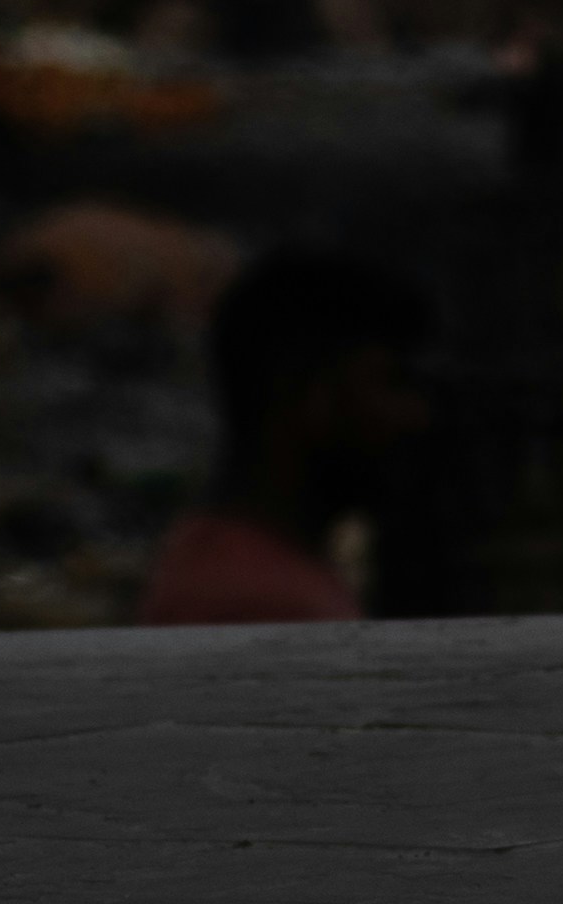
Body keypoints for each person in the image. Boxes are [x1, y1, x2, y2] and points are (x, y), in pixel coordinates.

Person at [134, 245, 437, 628]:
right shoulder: (261, 607)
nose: (416, 416)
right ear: (304, 388)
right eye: (394, 381)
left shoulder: (252, 571)